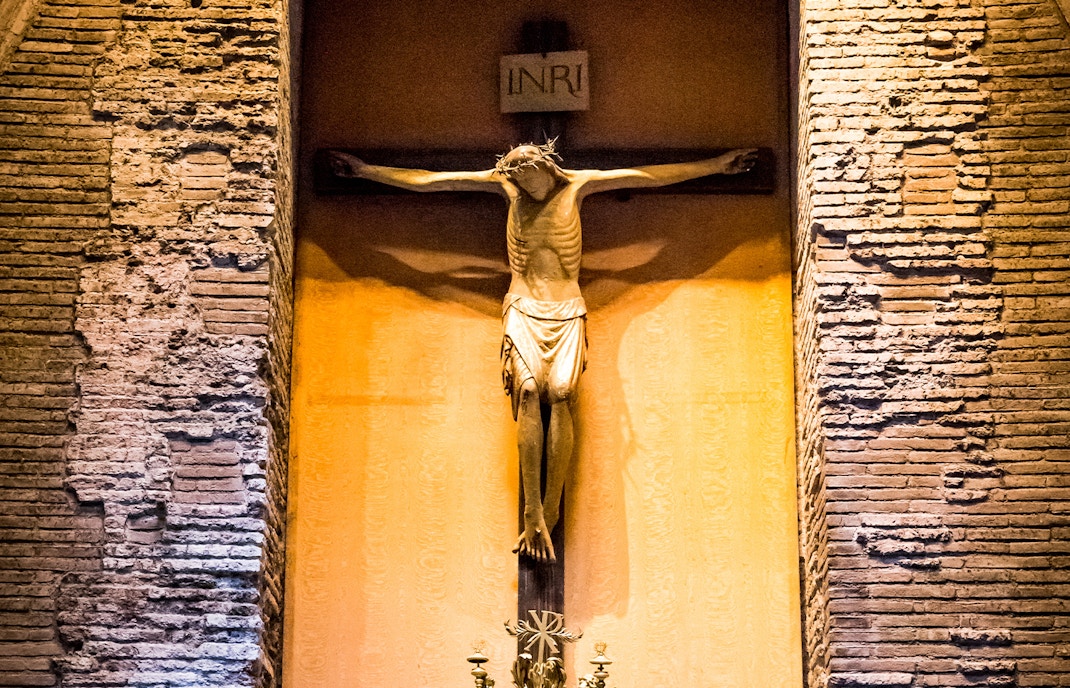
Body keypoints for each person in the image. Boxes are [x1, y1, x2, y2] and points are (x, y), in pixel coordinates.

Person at [329, 141, 757, 563]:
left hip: (567, 309)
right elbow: (430, 181)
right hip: (522, 307)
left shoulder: (580, 185)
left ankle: (551, 507)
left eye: (528, 174)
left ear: (547, 167)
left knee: (563, 393)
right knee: (530, 392)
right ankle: (532, 506)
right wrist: (365, 170)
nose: (523, 183)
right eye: (515, 176)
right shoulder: (506, 187)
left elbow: (650, 175)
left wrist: (717, 164)